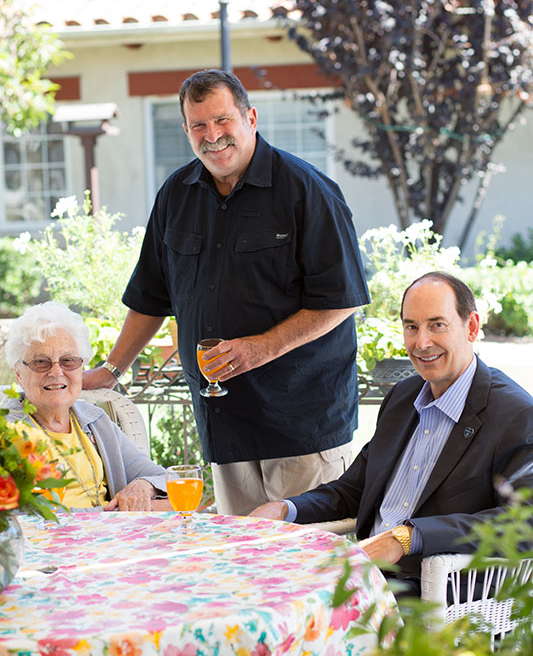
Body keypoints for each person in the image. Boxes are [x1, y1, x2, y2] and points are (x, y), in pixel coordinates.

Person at [82, 68, 370, 515]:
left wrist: (258, 349)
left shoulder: (306, 190)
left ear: (250, 118)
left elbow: (341, 299)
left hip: (301, 424)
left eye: (222, 121)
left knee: (306, 565)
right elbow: (150, 297)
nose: (212, 136)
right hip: (225, 426)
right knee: (242, 567)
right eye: (198, 125)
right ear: (185, 130)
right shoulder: (175, 195)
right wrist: (113, 369)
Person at [250, 272, 533, 593]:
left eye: (437, 325)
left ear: (471, 327)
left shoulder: (516, 414)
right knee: (256, 587)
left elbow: (524, 523)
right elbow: (352, 491)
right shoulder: (402, 397)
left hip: (432, 591)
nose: (421, 343)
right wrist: (286, 509)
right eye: (411, 326)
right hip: (362, 575)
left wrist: (410, 537)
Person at [3, 301, 168, 511]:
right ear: (19, 373)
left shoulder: (94, 420)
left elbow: (163, 478)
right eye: (41, 362)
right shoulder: (8, 431)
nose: (56, 372)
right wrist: (113, 513)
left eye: (68, 360)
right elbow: (28, 515)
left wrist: (143, 486)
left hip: (111, 538)